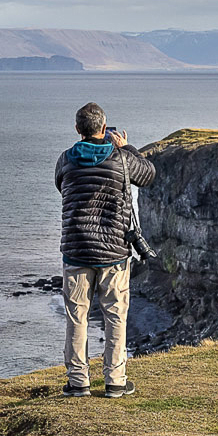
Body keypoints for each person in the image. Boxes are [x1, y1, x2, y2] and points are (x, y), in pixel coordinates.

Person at [54, 102, 156, 399]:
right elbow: (148, 175)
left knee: (76, 318)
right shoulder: (122, 159)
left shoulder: (65, 160)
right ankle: (115, 382)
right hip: (114, 253)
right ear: (104, 128)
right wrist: (129, 148)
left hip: (76, 250)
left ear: (77, 130)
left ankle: (78, 383)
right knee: (115, 316)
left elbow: (62, 186)